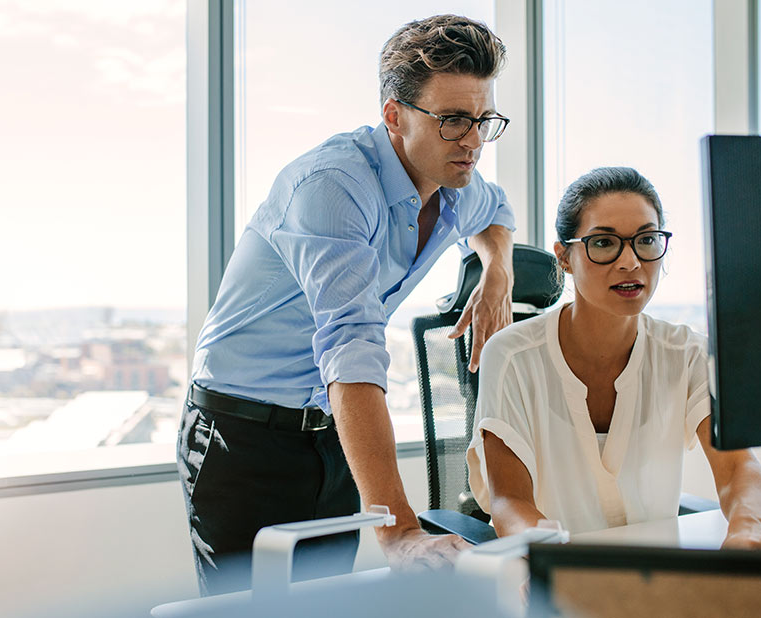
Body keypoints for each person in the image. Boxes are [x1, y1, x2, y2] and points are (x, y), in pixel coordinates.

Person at [178, 14, 518, 595]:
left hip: (333, 433)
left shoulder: (455, 183)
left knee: (325, 603)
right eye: (454, 120)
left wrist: (498, 274)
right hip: (243, 432)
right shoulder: (332, 186)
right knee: (246, 613)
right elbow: (352, 348)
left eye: (483, 120)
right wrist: (402, 533)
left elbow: (498, 214)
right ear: (394, 115)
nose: (473, 141)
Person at [466, 166, 761, 552]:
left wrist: (750, 525)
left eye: (646, 240)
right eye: (604, 243)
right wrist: (559, 562)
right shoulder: (511, 355)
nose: (631, 262)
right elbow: (509, 502)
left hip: (654, 587)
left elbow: (739, 468)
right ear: (565, 257)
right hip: (547, 587)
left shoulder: (686, 355)